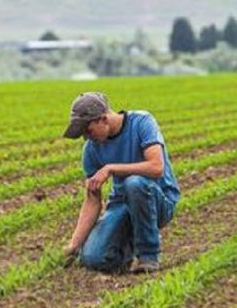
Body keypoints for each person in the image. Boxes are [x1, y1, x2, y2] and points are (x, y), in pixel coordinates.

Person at [62, 92, 180, 274]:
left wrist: (112, 168)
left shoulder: (142, 122)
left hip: (158, 199)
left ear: (103, 119)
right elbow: (92, 200)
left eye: (88, 130)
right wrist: (75, 244)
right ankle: (127, 247)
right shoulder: (91, 149)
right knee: (92, 259)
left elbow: (156, 167)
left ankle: (148, 256)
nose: (86, 137)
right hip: (122, 204)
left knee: (134, 183)